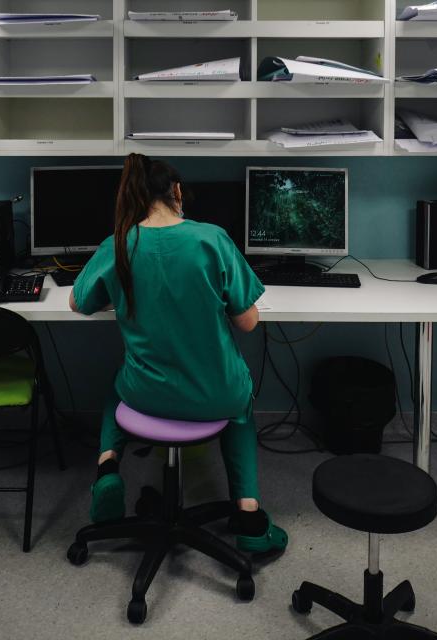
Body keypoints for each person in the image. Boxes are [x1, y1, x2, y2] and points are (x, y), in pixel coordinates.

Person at [68, 153, 287, 554]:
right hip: (214, 394)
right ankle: (249, 515)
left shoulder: (119, 243)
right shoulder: (212, 239)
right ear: (177, 192)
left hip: (145, 394)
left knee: (117, 386)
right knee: (240, 403)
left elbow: (78, 303)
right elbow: (248, 322)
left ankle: (107, 467)